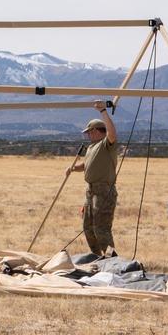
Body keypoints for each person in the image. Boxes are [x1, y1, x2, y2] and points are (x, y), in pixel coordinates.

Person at [66, 99, 118, 257]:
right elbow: (87, 164)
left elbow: (112, 133)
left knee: (100, 227)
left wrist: (103, 112)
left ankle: (111, 259)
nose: (88, 135)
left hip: (103, 190)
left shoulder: (106, 143)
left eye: (89, 132)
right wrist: (74, 168)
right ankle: (98, 257)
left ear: (95, 130)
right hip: (91, 190)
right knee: (88, 227)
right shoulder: (91, 147)